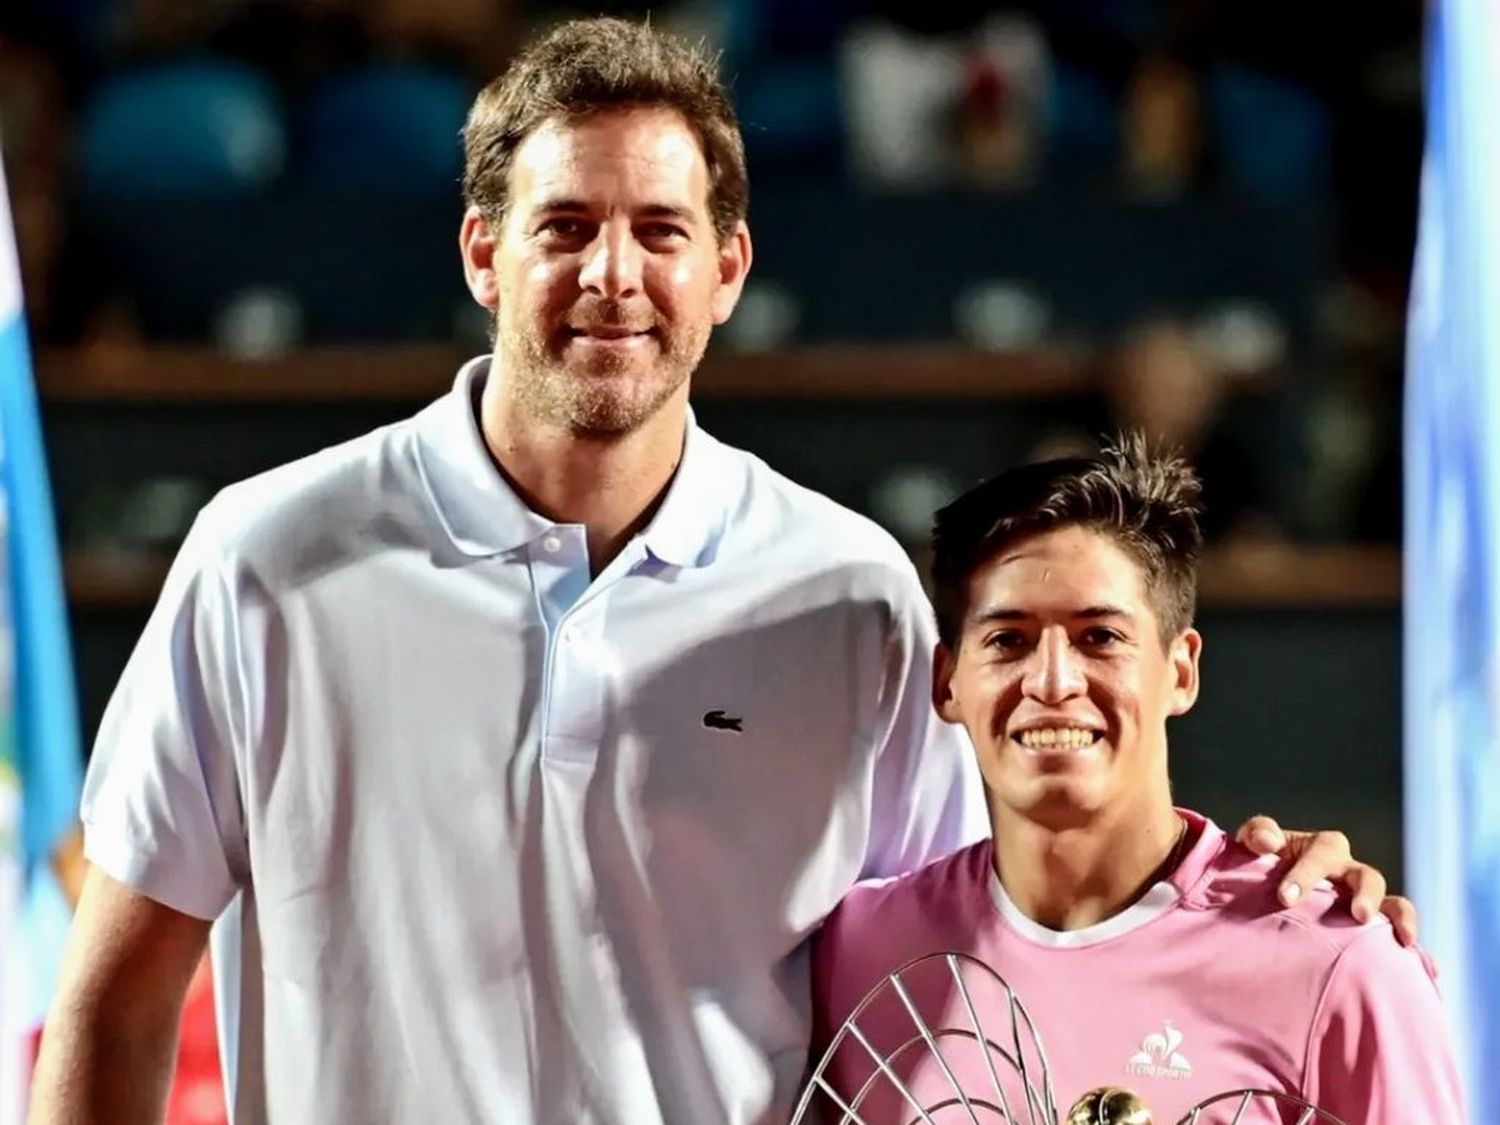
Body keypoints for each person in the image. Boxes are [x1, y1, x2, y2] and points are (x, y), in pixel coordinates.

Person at [32, 19, 1413, 1125]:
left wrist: (1258, 895)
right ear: (482, 255)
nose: (612, 275)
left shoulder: (850, 596)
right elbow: (120, 992)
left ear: (731, 268)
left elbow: (990, 960)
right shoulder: (265, 559)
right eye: (565, 225)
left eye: (660, 231)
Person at [810, 436, 1464, 1123]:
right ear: (948, 681)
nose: (1054, 681)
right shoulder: (858, 950)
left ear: (1181, 670)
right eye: (1009, 639)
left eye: (1100, 637)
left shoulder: (1341, 962)